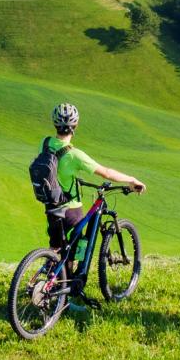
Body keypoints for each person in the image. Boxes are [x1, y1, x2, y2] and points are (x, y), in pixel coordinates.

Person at [40, 103, 145, 288]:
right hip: (71, 209)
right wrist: (131, 179)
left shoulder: (47, 143)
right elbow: (106, 172)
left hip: (51, 205)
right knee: (77, 245)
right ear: (76, 125)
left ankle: (51, 279)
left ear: (55, 124)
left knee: (58, 246)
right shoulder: (74, 155)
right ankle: (66, 290)